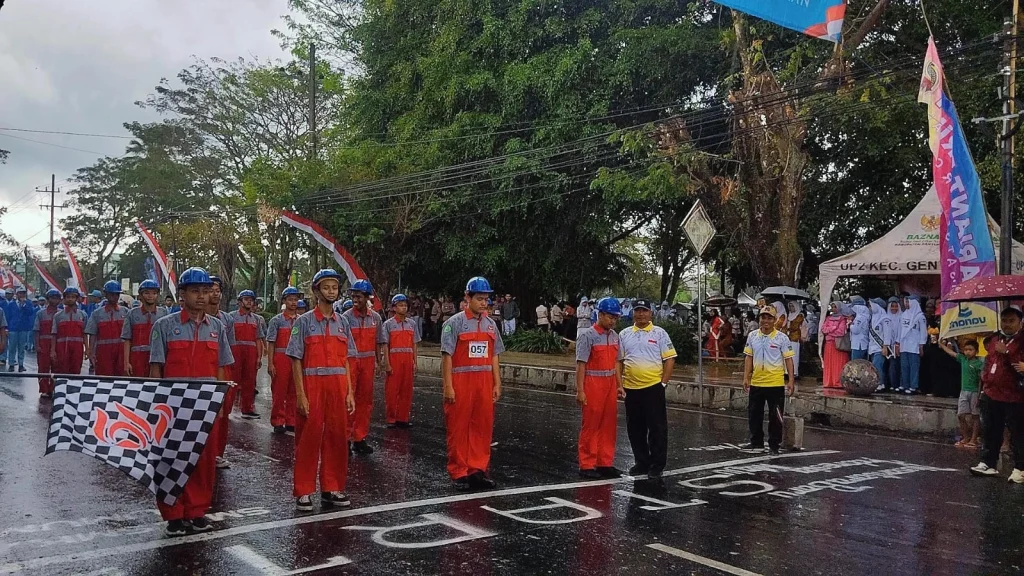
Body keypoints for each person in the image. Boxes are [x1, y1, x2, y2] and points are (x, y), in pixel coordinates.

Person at [148, 267, 234, 535]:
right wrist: (155, 405)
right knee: (170, 459)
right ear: (182, 294)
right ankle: (174, 514)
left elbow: (222, 365)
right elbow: (156, 368)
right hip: (173, 405)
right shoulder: (164, 326)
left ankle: (196, 511)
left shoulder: (217, 327)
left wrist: (220, 401)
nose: (201, 296)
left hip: (205, 405)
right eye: (195, 291)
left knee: (203, 460)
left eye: (205, 291)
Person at [286, 269, 357, 510]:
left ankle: (332, 488)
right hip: (312, 387)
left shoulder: (343, 322)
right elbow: (295, 359)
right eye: (326, 287)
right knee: (308, 438)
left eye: (334, 287)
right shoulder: (303, 322)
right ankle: (304, 490)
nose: (331, 291)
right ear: (316, 291)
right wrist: (301, 395)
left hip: (338, 388)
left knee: (337, 437)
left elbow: (347, 358)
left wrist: (349, 392)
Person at [440, 276, 504, 490]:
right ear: (467, 297)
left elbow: (494, 355)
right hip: (461, 381)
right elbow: (447, 356)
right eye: (479, 298)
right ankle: (459, 471)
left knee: (482, 426)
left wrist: (497, 383)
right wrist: (448, 385)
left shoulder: (490, 325)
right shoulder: (454, 323)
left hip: (483, 382)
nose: (484, 303)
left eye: (486, 299)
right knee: (459, 427)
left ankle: (477, 469)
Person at [618, 298, 676, 479]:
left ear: (651, 313)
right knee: (635, 428)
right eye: (637, 310)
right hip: (631, 388)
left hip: (653, 387)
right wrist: (619, 385)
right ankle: (641, 462)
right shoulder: (624, 334)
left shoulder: (660, 333)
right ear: (633, 313)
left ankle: (657, 464)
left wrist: (663, 383)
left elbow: (670, 359)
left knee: (657, 428)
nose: (641, 314)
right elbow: (618, 361)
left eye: (644, 310)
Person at [970, 306, 1024, 482]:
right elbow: (989, 360)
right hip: (992, 392)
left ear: (1020, 322)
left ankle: (1020, 468)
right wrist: (985, 380)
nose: (1007, 324)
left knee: (1017, 432)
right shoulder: (995, 338)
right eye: (1004, 320)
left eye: (1011, 321)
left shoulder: (1021, 340)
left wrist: (1007, 352)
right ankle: (988, 462)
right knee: (991, 430)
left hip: (1014, 394)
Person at [575, 297, 624, 479]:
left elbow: (617, 363)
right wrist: (580, 390)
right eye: (610, 317)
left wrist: (619, 385)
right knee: (591, 424)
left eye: (615, 318)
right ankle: (587, 464)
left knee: (608, 425)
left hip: (610, 384)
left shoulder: (614, 336)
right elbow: (581, 365)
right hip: (593, 383)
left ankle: (605, 463)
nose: (612, 321)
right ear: (600, 315)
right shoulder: (587, 336)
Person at [743, 305, 796, 455]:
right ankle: (756, 442)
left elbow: (789, 360)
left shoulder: (781, 338)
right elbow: (749, 357)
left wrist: (791, 380)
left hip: (775, 383)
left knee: (775, 416)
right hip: (757, 382)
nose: (765, 320)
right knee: (754, 414)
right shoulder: (752, 336)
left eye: (769, 318)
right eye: (763, 317)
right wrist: (746, 377)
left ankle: (774, 444)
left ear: (774, 320)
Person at [341, 279, 384, 455]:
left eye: (358, 296)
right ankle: (345, 439)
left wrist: (379, 363)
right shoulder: (345, 318)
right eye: (353, 296)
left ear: (367, 297)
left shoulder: (376, 318)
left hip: (367, 363)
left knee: (365, 402)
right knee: (349, 401)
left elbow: (378, 342)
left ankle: (360, 438)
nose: (355, 299)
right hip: (350, 363)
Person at [207, 275, 237, 469]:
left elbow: (230, 347)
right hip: (205, 366)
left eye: (217, 289)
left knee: (223, 411)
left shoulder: (226, 319)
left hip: (224, 367)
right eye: (211, 289)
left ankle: (218, 453)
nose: (214, 293)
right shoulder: (199, 316)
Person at [266, 287, 303, 434]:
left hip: (296, 359)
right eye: (290, 299)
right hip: (281, 358)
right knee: (279, 391)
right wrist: (270, 363)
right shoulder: (277, 321)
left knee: (295, 390)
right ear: (284, 301)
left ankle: (291, 420)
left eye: (296, 300)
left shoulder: (302, 321)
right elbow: (271, 342)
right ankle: (277, 421)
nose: (293, 303)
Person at [381, 294, 421, 428]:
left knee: (406, 390)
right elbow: (385, 345)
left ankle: (403, 418)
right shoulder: (388, 324)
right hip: (394, 360)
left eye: (405, 305)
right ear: (394, 308)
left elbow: (414, 344)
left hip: (408, 360)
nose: (403, 308)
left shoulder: (412, 324)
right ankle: (391, 418)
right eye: (400, 305)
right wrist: (386, 363)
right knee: (392, 390)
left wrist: (415, 361)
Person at [938, 338, 983, 448]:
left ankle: (973, 439)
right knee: (961, 415)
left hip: (974, 392)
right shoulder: (963, 359)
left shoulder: (979, 363)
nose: (968, 352)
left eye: (970, 350)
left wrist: (979, 394)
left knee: (975, 416)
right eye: (966, 349)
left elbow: (981, 380)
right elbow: (951, 353)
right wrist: (941, 345)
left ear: (976, 351)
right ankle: (966, 437)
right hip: (964, 391)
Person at [230, 289, 267, 419]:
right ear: (240, 302)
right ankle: (226, 408)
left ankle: (247, 409)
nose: (249, 302)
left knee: (250, 382)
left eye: (251, 300)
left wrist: (258, 357)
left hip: (251, 352)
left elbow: (258, 339)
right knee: (233, 381)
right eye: (246, 299)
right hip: (236, 351)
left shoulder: (256, 319)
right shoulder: (231, 317)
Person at [120, 280, 168, 377]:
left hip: (158, 359)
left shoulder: (163, 313)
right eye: (147, 293)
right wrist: (126, 363)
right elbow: (127, 339)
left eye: (154, 293)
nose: (151, 296)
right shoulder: (132, 314)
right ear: (140, 296)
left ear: (158, 295)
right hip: (137, 359)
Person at [84, 281, 129, 377]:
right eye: (111, 294)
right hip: (103, 353)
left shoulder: (125, 312)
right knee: (104, 378)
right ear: (106, 294)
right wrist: (91, 352)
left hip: (121, 352)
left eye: (116, 294)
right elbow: (92, 334)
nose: (114, 297)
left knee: (122, 378)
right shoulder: (97, 314)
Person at [51, 287, 87, 378]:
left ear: (77, 298)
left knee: (76, 370)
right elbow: (54, 334)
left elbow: (85, 334)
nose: (70, 299)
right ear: (64, 299)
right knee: (62, 370)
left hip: (77, 348)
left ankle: (74, 391)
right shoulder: (58, 316)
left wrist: (87, 349)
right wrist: (52, 351)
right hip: (62, 348)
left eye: (73, 297)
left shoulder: (83, 315)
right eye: (68, 297)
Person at [33, 289, 62, 398]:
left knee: (56, 366)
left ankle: (54, 388)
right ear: (48, 299)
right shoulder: (41, 313)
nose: (55, 300)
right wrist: (37, 345)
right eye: (52, 298)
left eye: (57, 298)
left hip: (57, 343)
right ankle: (44, 389)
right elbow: (36, 330)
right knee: (43, 367)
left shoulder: (61, 313)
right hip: (44, 342)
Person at [897, 295, 927, 394]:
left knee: (914, 367)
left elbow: (923, 332)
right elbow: (900, 330)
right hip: (904, 345)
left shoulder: (920, 316)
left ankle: (913, 386)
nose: (906, 304)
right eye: (905, 302)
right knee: (904, 366)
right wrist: (898, 343)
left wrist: (921, 345)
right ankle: (904, 385)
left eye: (908, 302)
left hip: (914, 346)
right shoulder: (903, 315)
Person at [821, 302, 850, 389]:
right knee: (829, 364)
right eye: (832, 307)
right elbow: (823, 329)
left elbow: (840, 332)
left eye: (835, 307)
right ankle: (829, 382)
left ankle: (838, 382)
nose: (833, 309)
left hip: (838, 345)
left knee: (838, 364)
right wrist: (833, 328)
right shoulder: (828, 318)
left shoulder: (843, 319)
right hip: (829, 345)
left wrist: (829, 331)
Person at [868, 298, 894, 392]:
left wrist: (885, 346)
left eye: (871, 305)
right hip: (872, 347)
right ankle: (879, 383)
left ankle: (879, 384)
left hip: (880, 347)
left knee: (877, 366)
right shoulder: (872, 317)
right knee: (876, 366)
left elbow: (887, 333)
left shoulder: (885, 318)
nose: (870, 307)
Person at [6, 287, 34, 372]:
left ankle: (21, 364)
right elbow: (8, 316)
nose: (22, 295)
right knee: (12, 347)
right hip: (13, 328)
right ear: (16, 294)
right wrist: (7, 328)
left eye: (23, 293)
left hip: (23, 328)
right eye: (20, 293)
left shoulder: (28, 303)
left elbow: (30, 313)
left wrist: (24, 305)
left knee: (21, 347)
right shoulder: (11, 304)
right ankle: (11, 364)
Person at [886, 297, 903, 390]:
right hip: (889, 346)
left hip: (899, 345)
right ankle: (892, 384)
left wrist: (898, 342)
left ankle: (900, 384)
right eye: (892, 306)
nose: (894, 308)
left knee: (900, 365)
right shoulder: (886, 318)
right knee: (892, 366)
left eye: (896, 306)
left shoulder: (902, 317)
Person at [784, 302, 804, 378]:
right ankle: (786, 371)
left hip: (795, 338)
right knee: (787, 355)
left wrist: (789, 327)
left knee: (794, 356)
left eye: (792, 306)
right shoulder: (788, 315)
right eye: (790, 306)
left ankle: (794, 372)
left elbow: (795, 326)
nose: (791, 308)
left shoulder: (799, 316)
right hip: (788, 338)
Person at [849, 295, 870, 361]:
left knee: (856, 363)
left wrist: (851, 325)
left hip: (858, 345)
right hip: (863, 343)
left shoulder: (859, 317)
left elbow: (856, 330)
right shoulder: (866, 316)